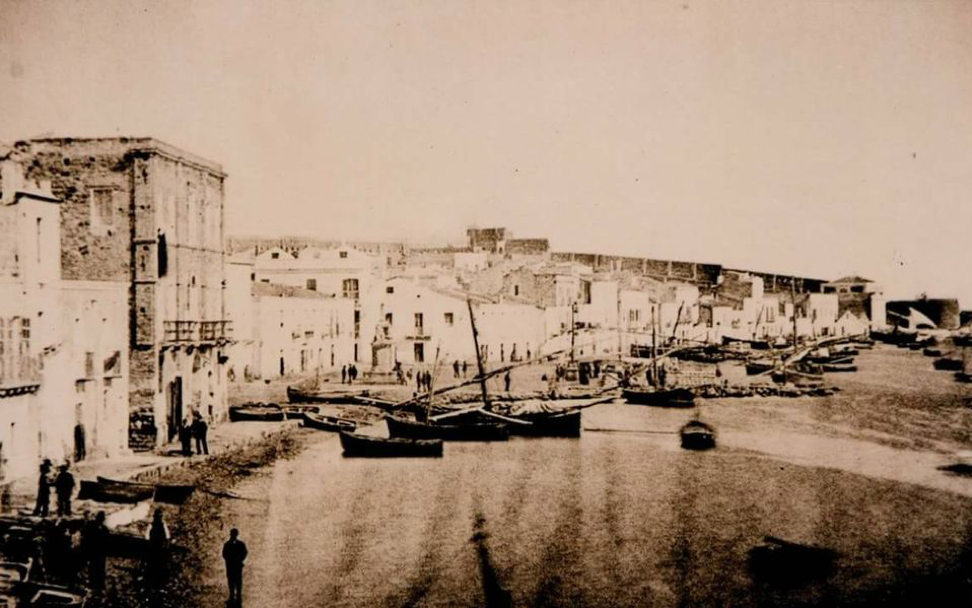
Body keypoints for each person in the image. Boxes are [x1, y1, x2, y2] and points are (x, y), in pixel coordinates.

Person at [83, 511, 109, 592]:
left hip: (99, 552)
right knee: (93, 568)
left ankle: (99, 585)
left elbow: (105, 541)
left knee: (99, 568)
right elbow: (86, 535)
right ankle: (93, 584)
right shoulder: (92, 525)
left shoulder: (104, 529)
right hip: (93, 551)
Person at [222, 528, 248, 604]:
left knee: (232, 580)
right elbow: (245, 552)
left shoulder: (227, 544)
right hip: (237, 565)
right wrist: (240, 560)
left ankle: (233, 596)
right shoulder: (240, 544)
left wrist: (229, 560)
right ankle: (237, 596)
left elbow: (224, 554)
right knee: (237, 580)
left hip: (231, 565)